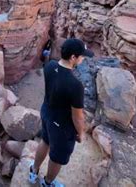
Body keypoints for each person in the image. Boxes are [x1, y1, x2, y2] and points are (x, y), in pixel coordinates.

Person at [29, 38, 94, 187]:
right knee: (57, 157)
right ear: (73, 58)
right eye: (82, 56)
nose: (83, 59)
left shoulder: (50, 66)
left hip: (46, 113)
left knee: (45, 141)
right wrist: (81, 133)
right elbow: (77, 116)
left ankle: (33, 170)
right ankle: (47, 182)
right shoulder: (75, 86)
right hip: (61, 125)